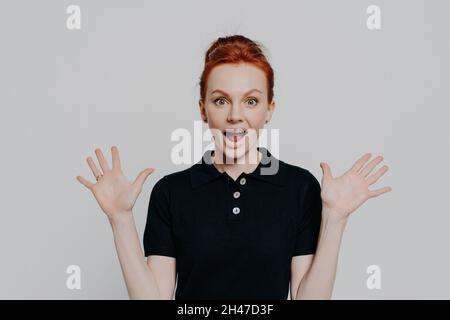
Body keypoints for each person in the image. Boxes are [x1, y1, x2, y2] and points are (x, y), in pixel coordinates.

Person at [76, 34, 392, 300]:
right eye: (221, 100)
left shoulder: (300, 187)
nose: (235, 116)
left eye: (251, 101)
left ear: (270, 109)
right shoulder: (171, 193)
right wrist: (120, 220)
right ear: (203, 109)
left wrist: (335, 220)